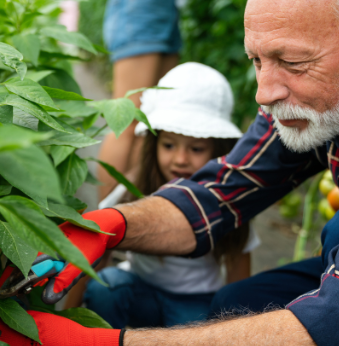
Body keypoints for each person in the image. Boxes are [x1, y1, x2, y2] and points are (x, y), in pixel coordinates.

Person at [0, 0, 339, 346]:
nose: (264, 92)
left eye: (291, 62)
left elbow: (334, 338)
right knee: (238, 302)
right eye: (258, 59)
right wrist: (106, 225)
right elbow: (221, 192)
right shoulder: (324, 92)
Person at [84, 62, 259, 330]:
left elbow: (237, 260)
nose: (180, 159)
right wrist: (70, 316)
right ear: (153, 144)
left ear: (217, 148)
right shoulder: (136, 187)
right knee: (104, 287)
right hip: (140, 291)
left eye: (196, 148)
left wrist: (235, 327)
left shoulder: (227, 199)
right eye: (168, 145)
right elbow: (98, 243)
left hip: (195, 301)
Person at [97, 0, 183, 201]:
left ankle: (129, 209)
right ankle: (103, 220)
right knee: (127, 119)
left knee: (152, 119)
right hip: (141, 7)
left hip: (165, 7)